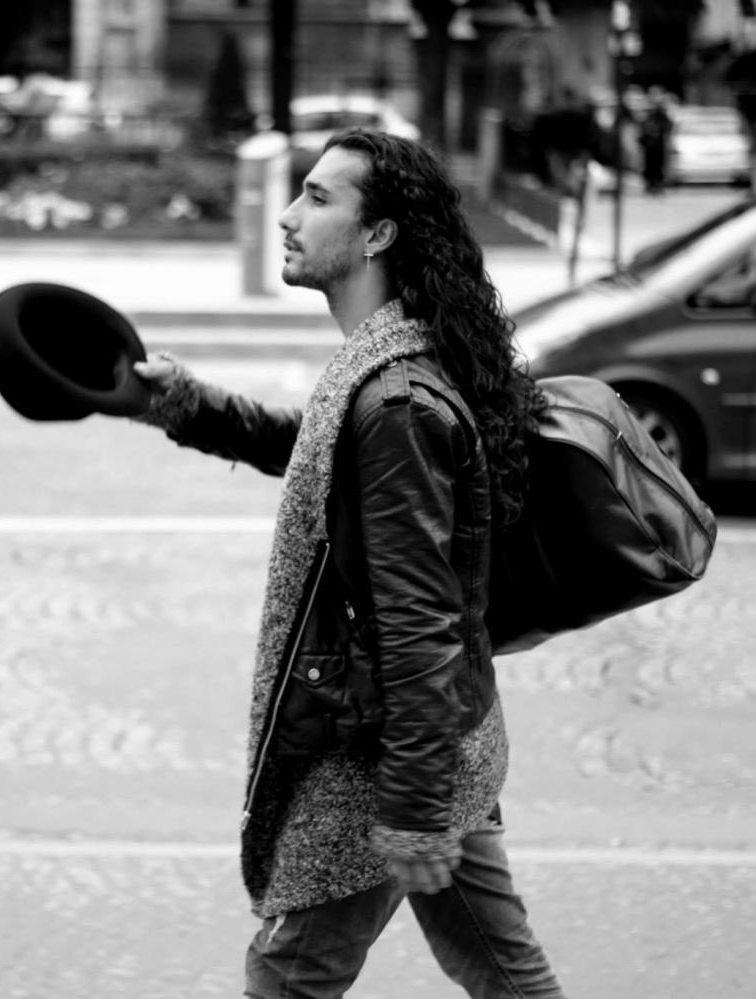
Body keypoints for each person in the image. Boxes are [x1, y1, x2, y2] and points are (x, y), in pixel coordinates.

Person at [132, 127, 566, 998]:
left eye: (317, 197)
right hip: (438, 744)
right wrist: (186, 404)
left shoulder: (396, 398)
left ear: (377, 235)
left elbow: (418, 622)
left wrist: (413, 810)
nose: (288, 215)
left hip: (377, 767)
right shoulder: (390, 360)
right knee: (506, 973)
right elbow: (317, 451)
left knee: (287, 979)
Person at [638, 88, 672, 196]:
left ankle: (657, 185)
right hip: (649, 146)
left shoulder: (661, 113)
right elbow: (641, 126)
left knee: (658, 166)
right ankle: (650, 185)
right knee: (649, 166)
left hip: (658, 145)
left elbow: (668, 126)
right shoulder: (647, 112)